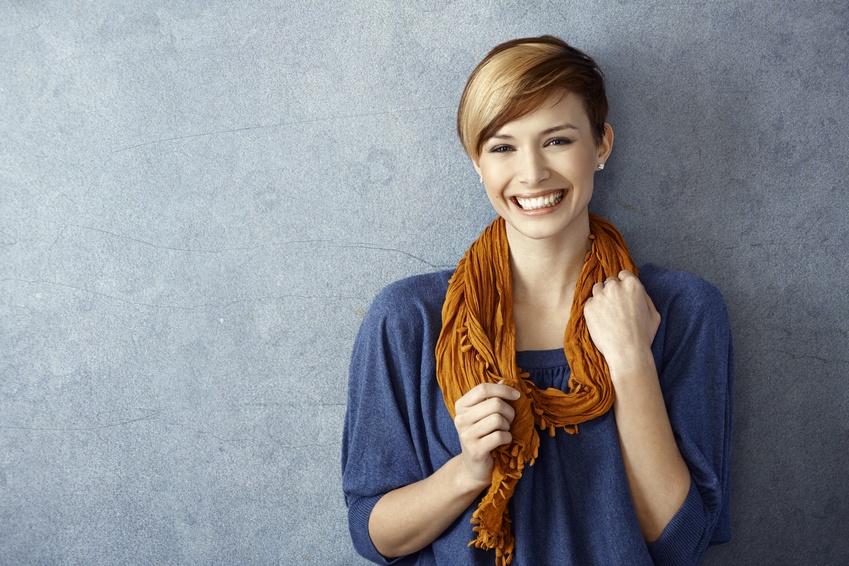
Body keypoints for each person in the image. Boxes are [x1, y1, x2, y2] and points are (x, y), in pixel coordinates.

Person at [342, 35, 733, 566]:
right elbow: (374, 536)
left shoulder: (683, 310)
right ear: (477, 162)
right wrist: (468, 471)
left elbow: (680, 540)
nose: (531, 173)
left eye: (557, 141)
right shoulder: (409, 319)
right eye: (502, 146)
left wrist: (632, 361)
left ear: (602, 145)